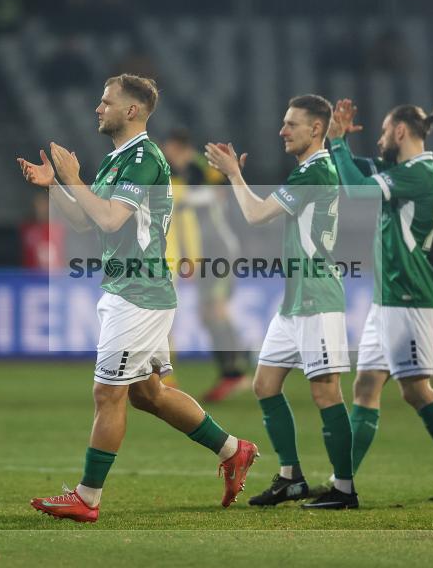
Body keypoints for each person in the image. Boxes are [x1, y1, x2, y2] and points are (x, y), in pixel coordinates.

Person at [18, 74, 258, 523]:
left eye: (106, 101)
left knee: (107, 394)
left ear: (131, 110)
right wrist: (57, 186)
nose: (98, 108)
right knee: (148, 395)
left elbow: (110, 219)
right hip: (128, 289)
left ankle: (87, 498)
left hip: (139, 294)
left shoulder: (145, 158)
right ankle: (233, 450)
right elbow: (86, 220)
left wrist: (73, 177)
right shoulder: (117, 160)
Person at [324, 98, 433, 501]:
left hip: (409, 296)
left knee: (416, 390)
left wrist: (339, 144)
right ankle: (341, 485)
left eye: (384, 131)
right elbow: (357, 170)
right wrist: (335, 142)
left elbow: (357, 190)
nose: (380, 139)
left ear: (400, 131)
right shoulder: (402, 171)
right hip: (387, 298)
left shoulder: (421, 174)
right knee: (366, 386)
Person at [205, 95, 357, 510]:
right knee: (265, 384)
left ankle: (345, 489)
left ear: (315, 129)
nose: (282, 130)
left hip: (318, 298)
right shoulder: (311, 170)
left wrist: (234, 175)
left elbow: (256, 215)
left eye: (292, 124)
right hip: (295, 300)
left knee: (326, 393)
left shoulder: (315, 171)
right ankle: (291, 478)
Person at [161, 129, 250, 402]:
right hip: (203, 252)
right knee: (207, 313)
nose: (166, 154)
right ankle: (236, 366)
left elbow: (219, 193)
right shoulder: (181, 174)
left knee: (216, 309)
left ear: (177, 147)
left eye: (168, 149)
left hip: (219, 249)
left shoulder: (198, 167)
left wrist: (185, 198)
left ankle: (236, 372)